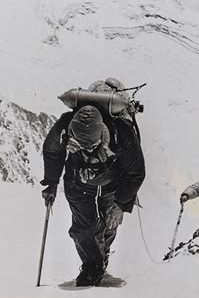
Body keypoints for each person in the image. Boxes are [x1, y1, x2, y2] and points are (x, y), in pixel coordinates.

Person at [40, 80, 145, 286]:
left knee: (110, 221)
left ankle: (101, 254)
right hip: (77, 179)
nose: (87, 151)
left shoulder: (121, 132)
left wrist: (121, 204)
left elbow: (136, 173)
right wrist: (51, 184)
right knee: (83, 228)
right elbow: (52, 151)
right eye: (80, 146)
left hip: (113, 179)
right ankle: (92, 268)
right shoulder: (64, 128)